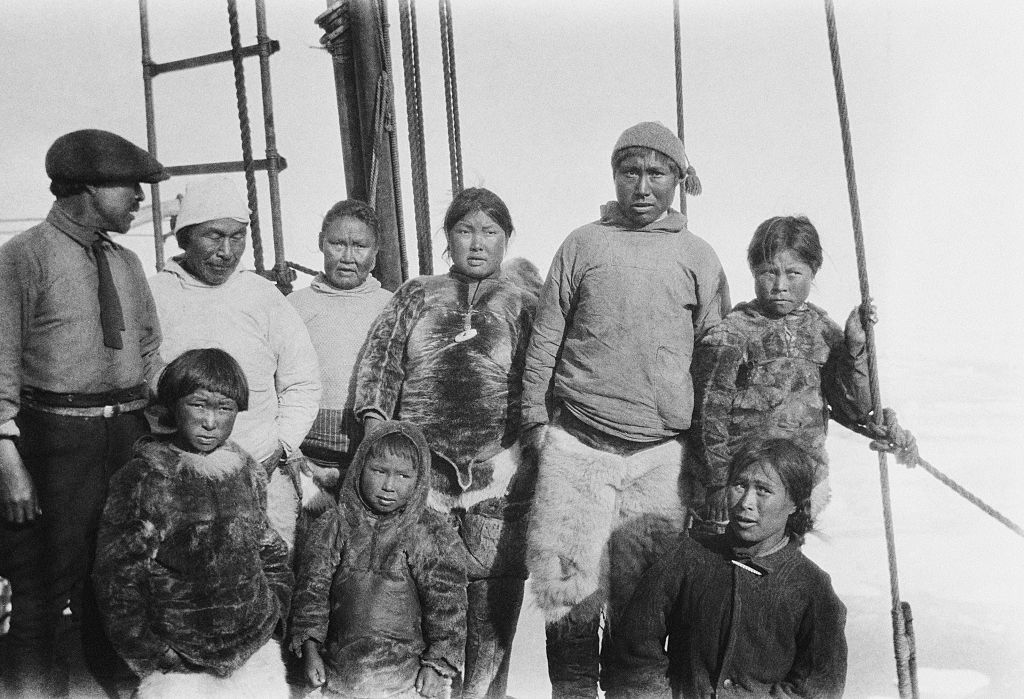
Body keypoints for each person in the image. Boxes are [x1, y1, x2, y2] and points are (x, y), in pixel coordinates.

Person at [521, 121, 731, 697]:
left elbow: (713, 358)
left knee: (643, 604)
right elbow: (545, 340)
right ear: (613, 175)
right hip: (578, 443)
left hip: (659, 455)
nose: (642, 186)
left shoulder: (698, 256)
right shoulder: (582, 245)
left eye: (656, 173)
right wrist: (537, 424)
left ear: (679, 180)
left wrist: (706, 454)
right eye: (629, 172)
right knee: (568, 597)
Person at [355, 187, 541, 698]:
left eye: (490, 232)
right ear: (447, 238)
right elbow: (381, 367)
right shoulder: (417, 294)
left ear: (506, 239)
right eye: (465, 231)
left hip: (497, 476)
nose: (477, 244)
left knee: (492, 615)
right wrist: (380, 439)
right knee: (418, 597)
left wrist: (528, 459)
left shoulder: (526, 305)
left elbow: (541, 383)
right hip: (423, 479)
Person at [0, 129, 167, 696]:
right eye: (130, 187)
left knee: (121, 575)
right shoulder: (21, 258)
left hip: (126, 435)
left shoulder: (127, 263)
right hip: (53, 441)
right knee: (43, 586)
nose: (140, 199)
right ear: (88, 187)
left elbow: (148, 350)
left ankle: (117, 687)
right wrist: (8, 459)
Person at [690, 215, 918, 531]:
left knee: (784, 565)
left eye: (794, 273)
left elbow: (852, 407)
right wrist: (716, 484)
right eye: (769, 272)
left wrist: (855, 348)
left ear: (813, 273)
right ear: (754, 272)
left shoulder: (823, 332)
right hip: (741, 486)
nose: (780, 285)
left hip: (801, 484)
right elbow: (707, 413)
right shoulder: (731, 334)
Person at [92, 348, 293, 697]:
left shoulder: (246, 471)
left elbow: (271, 551)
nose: (210, 421)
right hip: (180, 660)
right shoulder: (145, 478)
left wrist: (274, 614)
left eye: (224, 408)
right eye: (198, 405)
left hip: (253, 651)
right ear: (173, 404)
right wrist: (156, 654)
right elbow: (117, 581)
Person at [600, 438, 848, 698]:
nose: (745, 503)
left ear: (795, 503)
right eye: (739, 485)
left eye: (763, 490)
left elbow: (817, 687)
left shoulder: (812, 588)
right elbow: (635, 647)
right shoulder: (688, 557)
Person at [149, 176, 321, 549]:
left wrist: (283, 445)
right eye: (214, 236)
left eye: (237, 237)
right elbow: (140, 378)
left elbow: (302, 381)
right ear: (185, 237)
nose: (227, 251)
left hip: (260, 471)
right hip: (177, 477)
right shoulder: (155, 294)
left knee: (268, 577)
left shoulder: (262, 295)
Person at [289, 421, 467, 698]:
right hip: (340, 673)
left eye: (402, 476)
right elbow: (312, 591)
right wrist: (310, 648)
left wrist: (438, 665)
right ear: (360, 468)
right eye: (379, 471)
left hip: (405, 679)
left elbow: (447, 605)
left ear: (419, 480)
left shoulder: (429, 532)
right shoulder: (334, 524)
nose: (388, 486)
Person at [287, 199, 393, 516]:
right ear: (322, 243)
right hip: (307, 458)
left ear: (375, 252)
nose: (347, 257)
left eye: (359, 246)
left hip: (371, 458)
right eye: (337, 244)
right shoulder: (295, 305)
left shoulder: (392, 306)